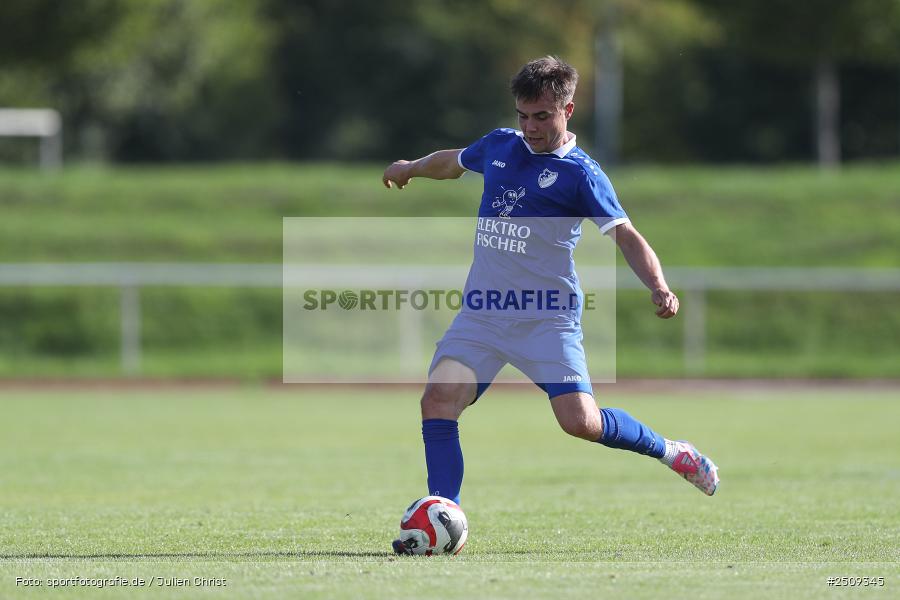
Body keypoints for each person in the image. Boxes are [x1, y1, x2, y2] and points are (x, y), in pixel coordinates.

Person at [382, 57, 718, 554]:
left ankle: (673, 452)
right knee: (437, 400)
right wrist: (411, 167)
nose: (530, 127)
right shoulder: (500, 146)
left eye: (542, 116)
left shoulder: (581, 174)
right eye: (523, 115)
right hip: (484, 312)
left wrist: (658, 285)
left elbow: (625, 233)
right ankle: (442, 515)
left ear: (568, 109)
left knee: (580, 423)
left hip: (546, 317)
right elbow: (452, 162)